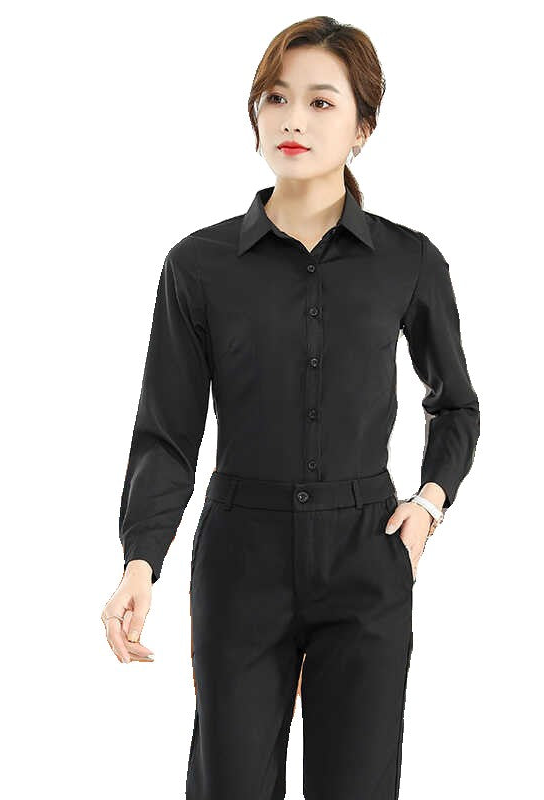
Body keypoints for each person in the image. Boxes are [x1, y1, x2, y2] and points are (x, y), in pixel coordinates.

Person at [101, 15, 480, 800]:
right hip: (242, 554)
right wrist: (141, 560)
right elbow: (167, 433)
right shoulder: (197, 265)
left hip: (366, 548)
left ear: (362, 127)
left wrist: (429, 503)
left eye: (320, 101)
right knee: (230, 783)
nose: (292, 120)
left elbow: (456, 406)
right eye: (275, 98)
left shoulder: (408, 260)